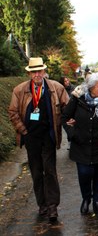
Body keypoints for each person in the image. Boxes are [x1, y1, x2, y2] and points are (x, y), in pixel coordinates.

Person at [9, 57, 69, 221]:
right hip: (31, 138)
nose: (37, 74)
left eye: (39, 71)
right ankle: (42, 205)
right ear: (29, 73)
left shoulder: (56, 88)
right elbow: (13, 113)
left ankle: (52, 207)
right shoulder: (19, 90)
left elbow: (67, 107)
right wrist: (24, 131)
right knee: (36, 172)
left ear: (44, 71)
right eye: (33, 71)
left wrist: (69, 120)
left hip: (48, 137)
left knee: (50, 171)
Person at [62, 72, 98, 215]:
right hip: (81, 145)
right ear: (91, 87)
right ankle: (86, 198)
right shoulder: (77, 99)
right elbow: (65, 118)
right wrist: (73, 134)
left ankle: (97, 201)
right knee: (84, 173)